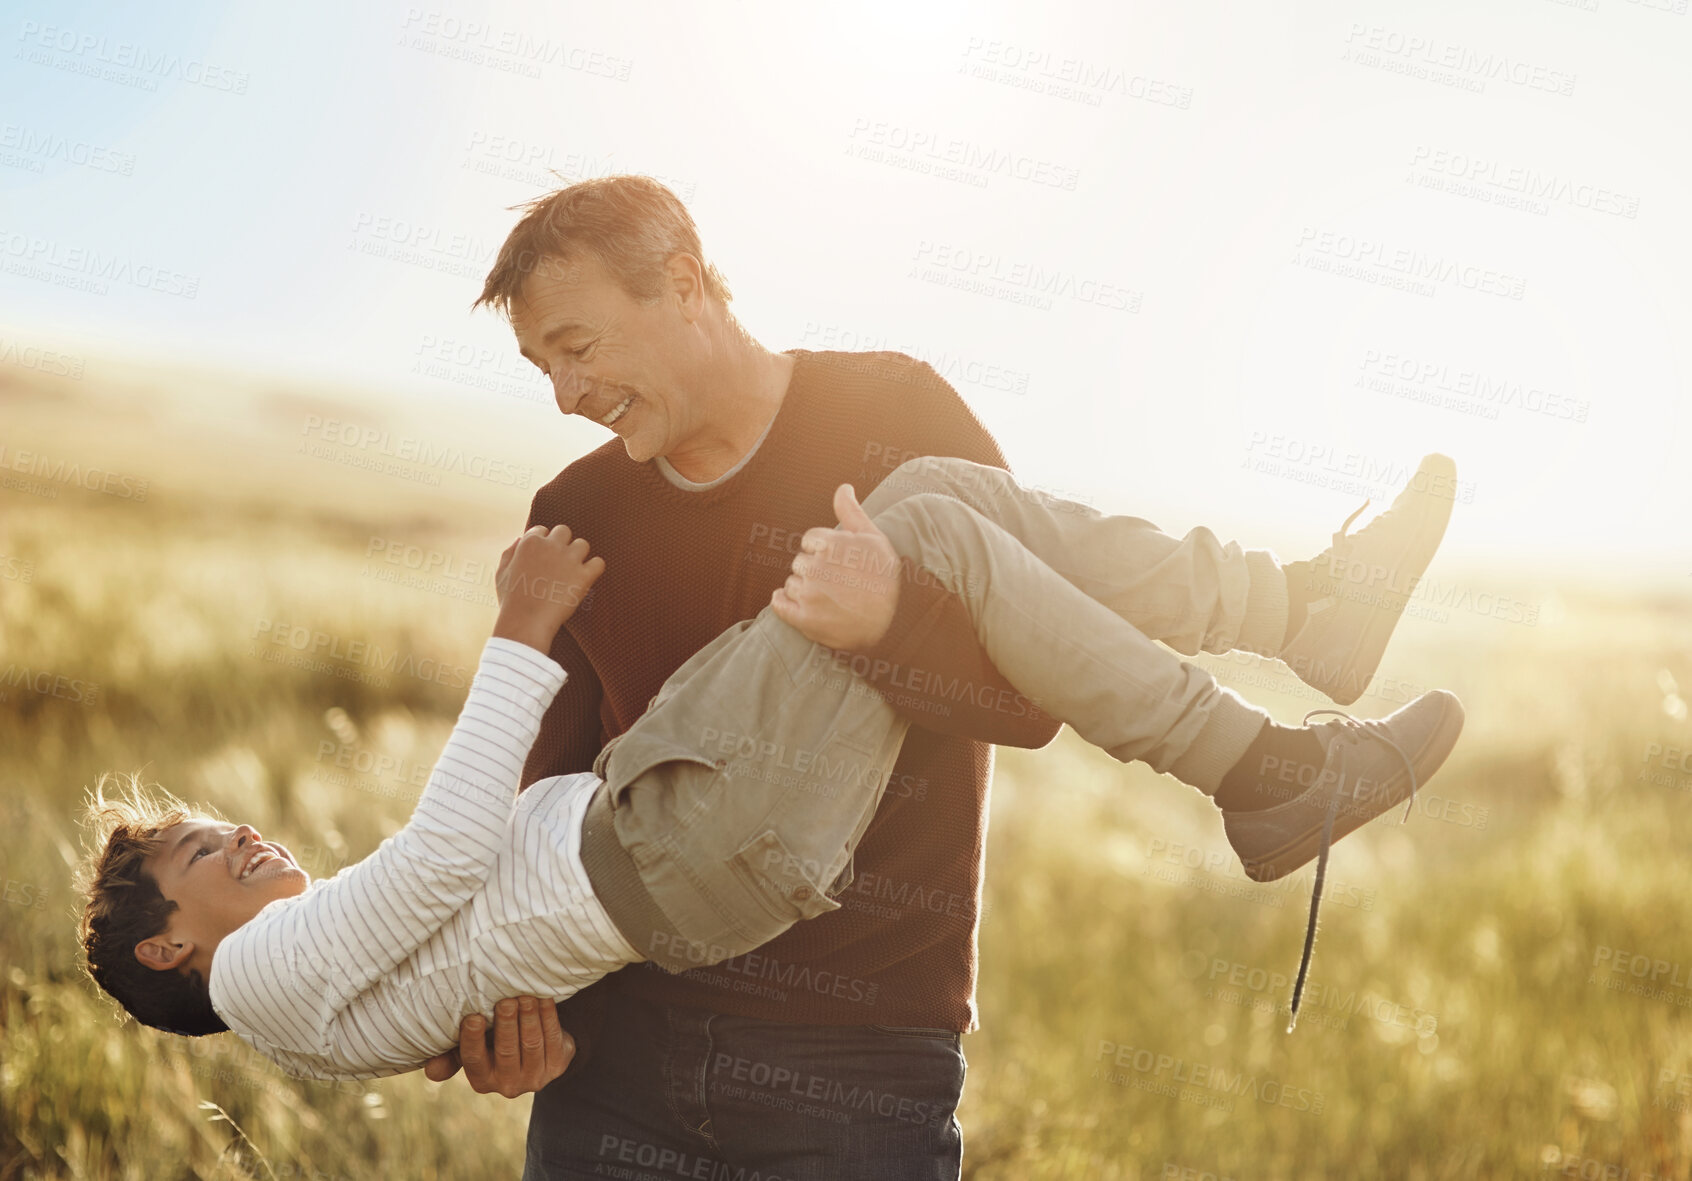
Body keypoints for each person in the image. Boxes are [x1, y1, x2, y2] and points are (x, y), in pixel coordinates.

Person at [427, 175, 1466, 1179]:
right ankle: (1289, 658)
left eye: (578, 346)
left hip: (855, 1058)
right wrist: (530, 1009)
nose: (565, 394)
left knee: (930, 504)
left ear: (686, 285)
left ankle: (1290, 660)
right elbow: (544, 789)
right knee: (930, 509)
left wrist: (893, 620)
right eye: (540, 366)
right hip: (621, 1070)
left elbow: (1034, 698)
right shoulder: (578, 511)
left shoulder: (895, 407)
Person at [77, 449, 1462, 1082]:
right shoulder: (258, 979)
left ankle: (1300, 618)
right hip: (678, 836)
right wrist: (521, 630)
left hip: (678, 828)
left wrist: (471, 1048)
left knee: (935, 500)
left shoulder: (301, 988)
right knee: (942, 539)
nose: (243, 842)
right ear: (167, 953)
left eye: (218, 829)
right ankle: (1269, 765)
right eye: (199, 857)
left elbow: (446, 988)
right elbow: (445, 857)